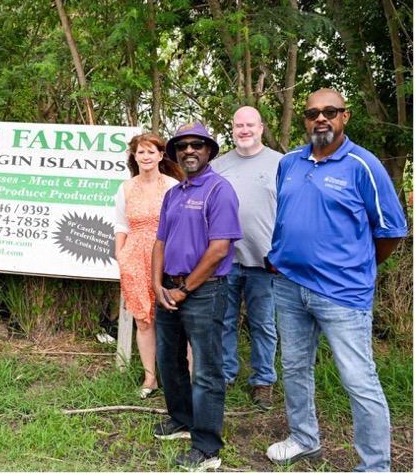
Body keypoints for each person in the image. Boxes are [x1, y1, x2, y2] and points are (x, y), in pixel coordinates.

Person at [265, 89, 407, 471]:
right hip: (290, 286)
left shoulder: (364, 165)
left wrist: (358, 267)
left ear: (346, 116)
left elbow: (392, 230)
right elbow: (288, 215)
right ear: (305, 120)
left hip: (343, 294)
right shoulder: (290, 162)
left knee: (359, 380)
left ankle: (375, 465)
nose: (321, 118)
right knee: (294, 368)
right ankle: (304, 439)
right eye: (313, 113)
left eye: (330, 111)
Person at [150, 122, 241, 471]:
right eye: (183, 146)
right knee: (169, 361)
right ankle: (182, 420)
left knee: (205, 370)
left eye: (197, 145)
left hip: (204, 292)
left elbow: (219, 249)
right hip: (169, 288)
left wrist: (185, 289)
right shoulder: (173, 193)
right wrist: (158, 285)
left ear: (208, 151)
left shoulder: (220, 189)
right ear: (175, 153)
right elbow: (160, 241)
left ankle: (206, 447)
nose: (189, 150)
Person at [210, 106, 281, 410]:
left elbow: (291, 212)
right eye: (239, 125)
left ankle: (263, 381)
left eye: (250, 125)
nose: (244, 130)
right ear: (232, 129)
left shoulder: (282, 163)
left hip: (265, 261)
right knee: (223, 321)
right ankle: (226, 374)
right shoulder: (218, 165)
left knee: (263, 323)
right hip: (225, 259)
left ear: (261, 128)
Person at [113, 133, 183, 398]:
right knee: (144, 320)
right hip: (135, 256)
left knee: (176, 316)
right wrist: (120, 253)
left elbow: (182, 222)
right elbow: (121, 224)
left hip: (167, 254)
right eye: (141, 152)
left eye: (151, 152)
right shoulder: (126, 188)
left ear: (161, 155)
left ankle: (184, 374)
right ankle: (150, 376)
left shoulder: (173, 186)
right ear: (134, 156)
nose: (145, 157)